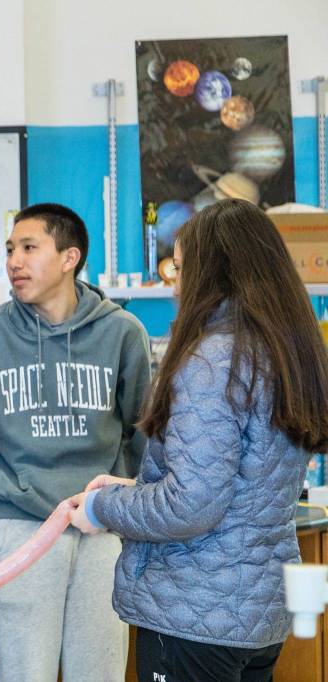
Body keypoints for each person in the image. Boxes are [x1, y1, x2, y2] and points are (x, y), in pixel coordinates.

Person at [69, 198, 328, 682]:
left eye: (183, 268)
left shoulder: (212, 360)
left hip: (196, 614)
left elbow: (192, 505)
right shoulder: (284, 352)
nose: (176, 282)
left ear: (213, 273)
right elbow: (234, 480)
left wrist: (102, 507)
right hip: (256, 615)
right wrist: (126, 488)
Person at [0, 203, 152, 681]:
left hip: (102, 525)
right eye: (10, 250)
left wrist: (144, 520)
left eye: (29, 248)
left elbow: (144, 432)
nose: (14, 261)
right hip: (18, 527)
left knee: (98, 674)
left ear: (69, 257)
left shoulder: (123, 332)